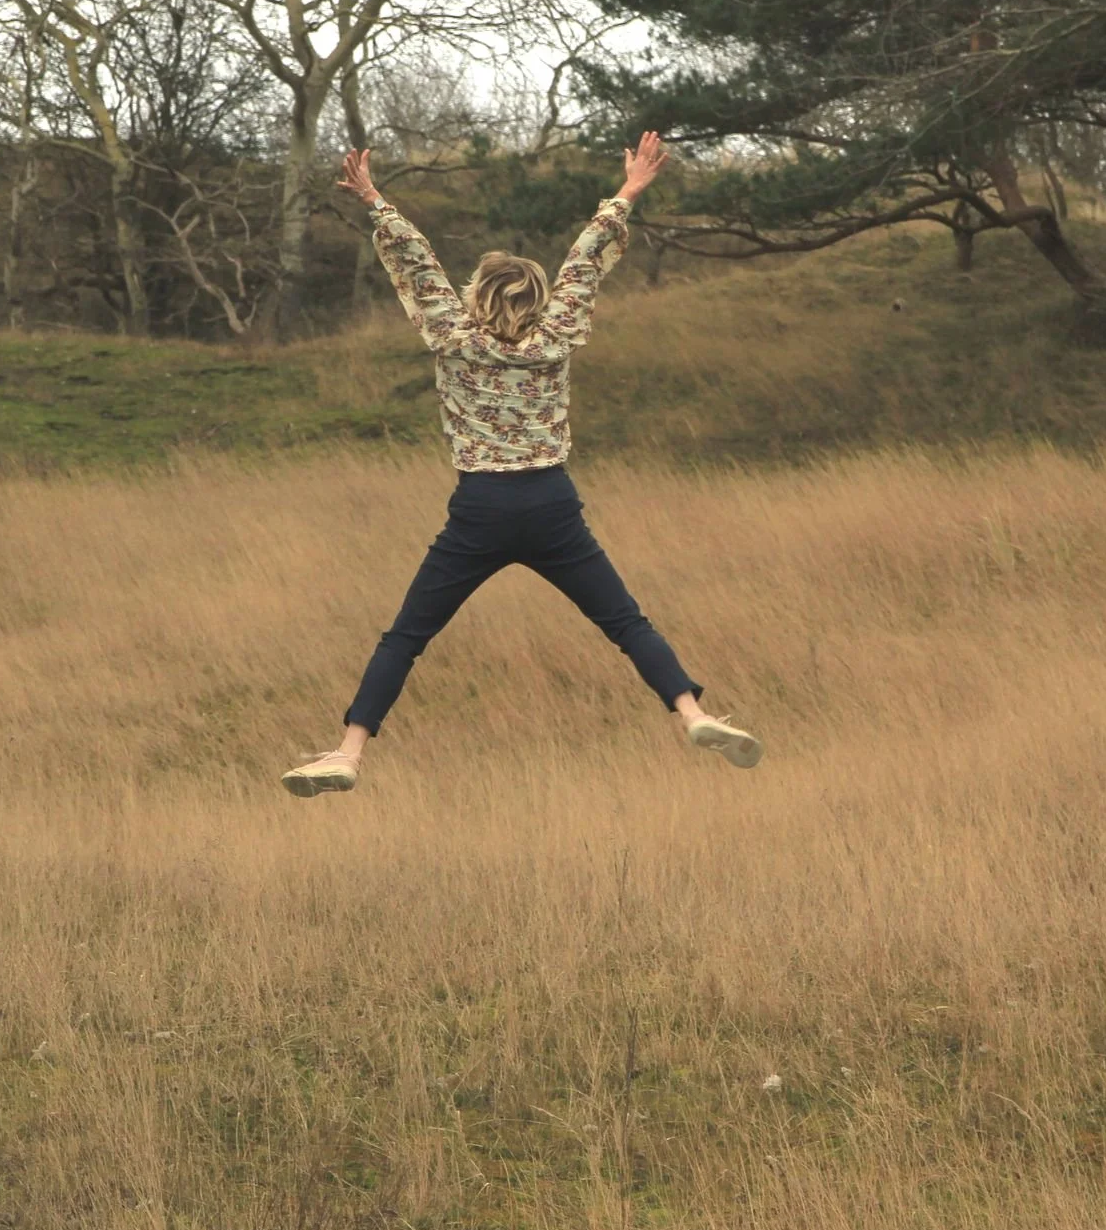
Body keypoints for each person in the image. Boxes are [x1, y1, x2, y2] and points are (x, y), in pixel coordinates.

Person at [282, 131, 761, 797]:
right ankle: (695, 714)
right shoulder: (557, 331)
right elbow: (585, 261)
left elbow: (417, 262)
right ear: (538, 300)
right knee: (626, 624)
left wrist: (372, 198)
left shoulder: (451, 333)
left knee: (406, 637)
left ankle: (348, 753)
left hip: (480, 509)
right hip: (551, 505)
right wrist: (628, 190)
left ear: (477, 294)